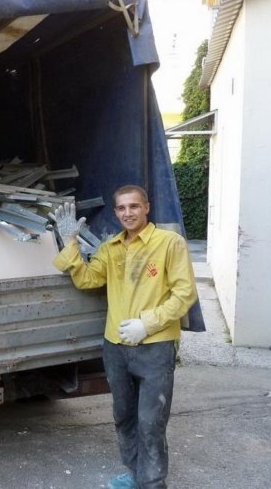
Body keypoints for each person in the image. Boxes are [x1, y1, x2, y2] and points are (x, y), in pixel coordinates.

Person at [53, 185, 197, 489]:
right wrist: (70, 243)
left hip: (155, 345)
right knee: (124, 416)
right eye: (121, 208)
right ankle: (135, 472)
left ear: (147, 207)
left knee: (151, 421)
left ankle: (153, 482)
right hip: (116, 346)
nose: (128, 213)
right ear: (116, 212)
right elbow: (88, 280)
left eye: (134, 206)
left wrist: (147, 324)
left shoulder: (169, 243)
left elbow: (185, 293)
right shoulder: (111, 248)